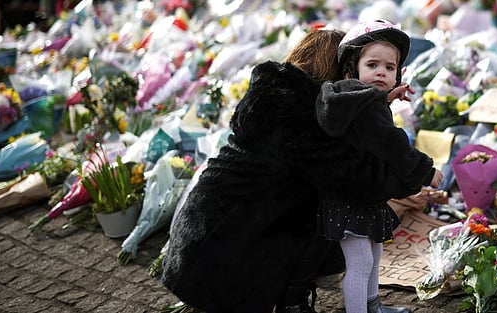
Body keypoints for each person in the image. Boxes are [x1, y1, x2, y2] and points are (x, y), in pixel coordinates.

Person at [162, 29, 429, 313]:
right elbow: (357, 179)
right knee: (334, 214)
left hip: (202, 237)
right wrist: (417, 174)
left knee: (323, 207)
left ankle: (294, 297)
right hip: (221, 260)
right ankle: (292, 302)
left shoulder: (278, 95)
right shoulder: (300, 119)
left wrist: (378, 100)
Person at [315, 19, 442, 313]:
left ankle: (372, 305)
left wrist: (384, 99)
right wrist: (426, 172)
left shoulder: (351, 98)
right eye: (373, 65)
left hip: (357, 193)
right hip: (351, 197)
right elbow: (390, 142)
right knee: (360, 263)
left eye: (389, 68)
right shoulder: (366, 106)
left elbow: (368, 119)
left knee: (374, 252)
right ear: (352, 68)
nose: (382, 73)